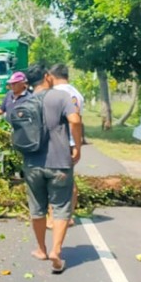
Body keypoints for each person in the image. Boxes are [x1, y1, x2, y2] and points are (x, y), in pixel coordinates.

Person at [19, 64, 82, 274]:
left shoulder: (25, 101)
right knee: (61, 206)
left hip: (31, 163)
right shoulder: (60, 97)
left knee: (37, 207)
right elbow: (74, 119)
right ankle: (56, 250)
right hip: (59, 162)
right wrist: (77, 147)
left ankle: (41, 249)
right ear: (47, 77)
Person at [46, 63, 85, 229]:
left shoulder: (55, 93)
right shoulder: (77, 94)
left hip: (56, 142)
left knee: (51, 180)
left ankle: (52, 217)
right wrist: (78, 145)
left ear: (52, 76)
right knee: (69, 180)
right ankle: (68, 215)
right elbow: (78, 122)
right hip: (70, 142)